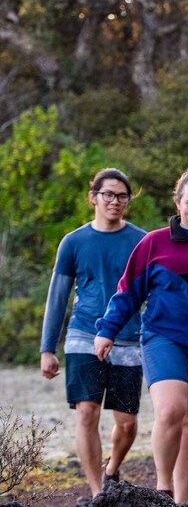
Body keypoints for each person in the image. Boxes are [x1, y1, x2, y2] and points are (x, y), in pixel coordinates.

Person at [94, 170, 188, 502]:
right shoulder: (154, 243)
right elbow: (128, 292)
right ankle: (163, 488)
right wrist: (107, 331)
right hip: (163, 338)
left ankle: (181, 501)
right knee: (170, 411)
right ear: (178, 202)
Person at [40, 168, 147, 499]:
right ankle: (98, 492)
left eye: (122, 196)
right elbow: (58, 297)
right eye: (108, 195)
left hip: (129, 338)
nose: (115, 201)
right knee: (87, 413)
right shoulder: (73, 242)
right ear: (93, 198)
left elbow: (155, 291)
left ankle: (112, 468)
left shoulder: (142, 241)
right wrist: (47, 348)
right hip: (83, 335)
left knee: (127, 423)